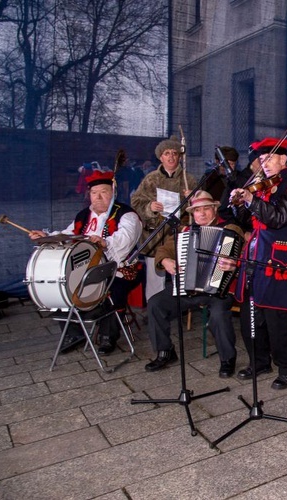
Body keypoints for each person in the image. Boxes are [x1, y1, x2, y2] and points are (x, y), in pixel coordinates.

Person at [28, 171, 143, 355]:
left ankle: (108, 335)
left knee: (111, 288)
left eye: (104, 192)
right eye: (94, 192)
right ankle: (75, 333)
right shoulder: (83, 215)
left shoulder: (126, 215)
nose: (98, 197)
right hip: (88, 269)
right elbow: (68, 235)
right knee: (63, 284)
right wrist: (46, 236)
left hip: (120, 268)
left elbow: (126, 239)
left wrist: (106, 242)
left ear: (113, 192)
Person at [229, 137, 287, 390]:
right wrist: (239, 201)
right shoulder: (260, 186)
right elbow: (245, 219)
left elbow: (278, 217)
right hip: (254, 255)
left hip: (279, 258)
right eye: (261, 160)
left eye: (269, 159)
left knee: (277, 319)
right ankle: (259, 361)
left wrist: (252, 201)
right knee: (249, 314)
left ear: (283, 159)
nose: (263, 164)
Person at [144, 191, 241, 373]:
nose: (202, 214)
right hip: (187, 288)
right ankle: (165, 351)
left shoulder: (230, 230)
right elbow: (162, 250)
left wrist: (234, 264)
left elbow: (242, 256)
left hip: (220, 290)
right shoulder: (184, 232)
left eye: (206, 209)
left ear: (214, 209)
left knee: (219, 315)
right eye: (197, 210)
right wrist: (165, 261)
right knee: (155, 304)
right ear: (192, 214)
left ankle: (228, 358)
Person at [131, 136, 197, 302]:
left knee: (180, 273)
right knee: (155, 279)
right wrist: (150, 208)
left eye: (174, 153)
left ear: (179, 156)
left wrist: (194, 198)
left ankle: (180, 307)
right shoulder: (151, 179)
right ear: (161, 157)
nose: (171, 157)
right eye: (167, 153)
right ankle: (155, 310)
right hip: (155, 236)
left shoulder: (188, 180)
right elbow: (136, 201)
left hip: (179, 233)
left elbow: (202, 208)